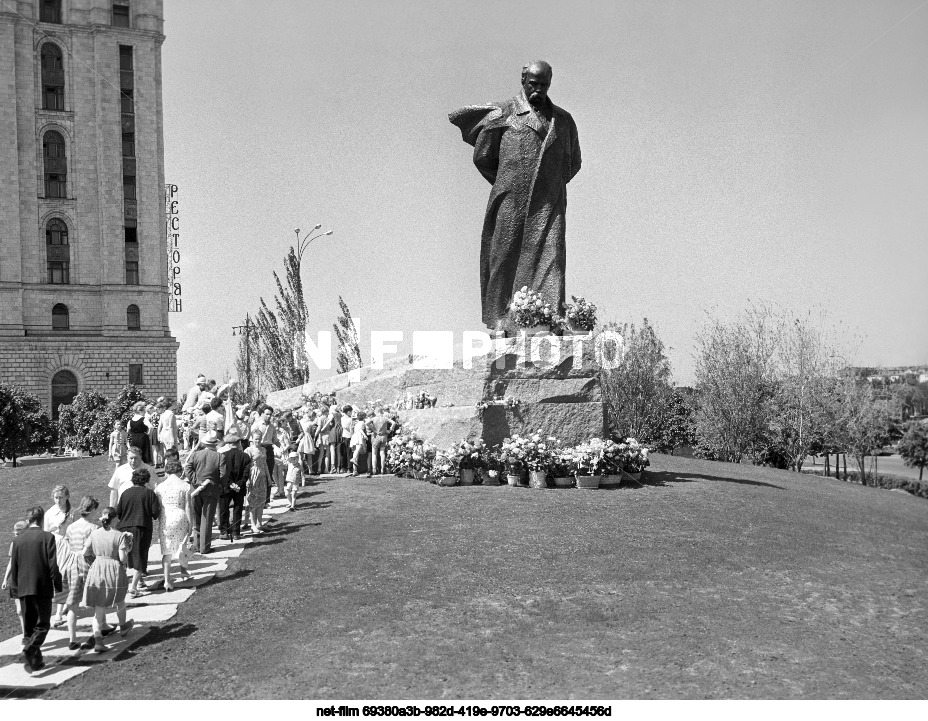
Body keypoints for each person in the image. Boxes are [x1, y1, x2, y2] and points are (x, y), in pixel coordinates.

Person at [449, 60, 581, 330]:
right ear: (523, 81)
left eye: (544, 84)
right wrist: (509, 183)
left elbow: (573, 162)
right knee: (504, 258)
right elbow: (483, 157)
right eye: (534, 84)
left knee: (552, 259)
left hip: (550, 204)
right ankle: (501, 321)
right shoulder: (503, 113)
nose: (539, 90)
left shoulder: (564, 121)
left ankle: (548, 320)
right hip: (511, 200)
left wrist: (548, 182)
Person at [9, 506, 62, 673]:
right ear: (41, 519)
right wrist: (58, 584)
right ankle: (29, 650)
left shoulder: (17, 541)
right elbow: (53, 564)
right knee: (43, 625)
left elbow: (15, 567)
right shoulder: (47, 537)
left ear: (28, 520)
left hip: (23, 588)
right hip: (42, 587)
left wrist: (15, 590)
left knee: (29, 628)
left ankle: (35, 662)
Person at [82, 506, 133, 652]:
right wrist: (128, 549)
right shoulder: (119, 535)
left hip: (97, 568)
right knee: (120, 600)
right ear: (115, 519)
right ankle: (123, 626)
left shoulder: (94, 533)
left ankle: (98, 641)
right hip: (114, 569)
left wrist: (94, 562)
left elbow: (84, 552)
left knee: (99, 608)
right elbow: (122, 559)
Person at [116, 468, 162, 597]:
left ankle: (139, 582)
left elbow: (119, 512)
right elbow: (155, 513)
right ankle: (133, 588)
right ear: (146, 480)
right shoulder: (149, 493)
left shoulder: (125, 493)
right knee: (140, 557)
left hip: (124, 528)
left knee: (127, 556)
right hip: (141, 527)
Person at [61, 496, 100, 650]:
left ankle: (72, 639)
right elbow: (94, 550)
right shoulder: (93, 528)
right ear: (92, 510)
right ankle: (98, 634)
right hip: (88, 565)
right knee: (98, 603)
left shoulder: (71, 527)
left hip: (72, 565)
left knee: (73, 605)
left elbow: (66, 543)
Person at [154, 457, 194, 590]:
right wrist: (191, 523)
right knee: (182, 546)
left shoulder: (160, 487)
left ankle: (167, 580)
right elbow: (188, 507)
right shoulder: (185, 486)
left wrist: (161, 521)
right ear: (180, 471)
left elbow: (159, 507)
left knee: (167, 551)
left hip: (166, 518)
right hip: (180, 515)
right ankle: (183, 570)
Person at [184, 430, 224, 554]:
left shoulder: (196, 454)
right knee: (206, 518)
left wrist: (196, 481)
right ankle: (204, 547)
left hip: (196, 489)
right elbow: (223, 475)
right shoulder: (220, 456)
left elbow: (187, 468)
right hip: (211, 490)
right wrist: (217, 484)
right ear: (215, 444)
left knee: (196, 518)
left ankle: (196, 545)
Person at [217, 427, 251, 540]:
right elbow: (246, 475)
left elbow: (223, 474)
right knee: (237, 509)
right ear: (238, 443)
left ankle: (224, 531)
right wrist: (238, 484)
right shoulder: (245, 456)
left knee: (223, 509)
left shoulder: (223, 456)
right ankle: (236, 532)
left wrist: (230, 484)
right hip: (239, 487)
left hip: (226, 486)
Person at [2, 520, 29, 638]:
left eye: (19, 534)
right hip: (16, 580)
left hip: (28, 580)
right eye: (15, 534)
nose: (16, 536)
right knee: (19, 611)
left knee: (28, 610)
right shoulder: (13, 544)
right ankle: (25, 636)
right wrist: (5, 579)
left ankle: (30, 633)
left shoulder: (31, 544)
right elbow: (10, 563)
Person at [245, 429, 270, 534]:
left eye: (259, 439)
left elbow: (265, 464)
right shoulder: (248, 450)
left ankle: (259, 523)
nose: (257, 441)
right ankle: (253, 524)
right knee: (253, 501)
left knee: (261, 500)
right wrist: (247, 479)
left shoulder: (263, 450)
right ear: (252, 439)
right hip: (253, 476)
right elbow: (245, 466)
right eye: (256, 439)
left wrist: (268, 477)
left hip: (262, 475)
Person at [251, 405, 277, 503]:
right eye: (267, 414)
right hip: (259, 449)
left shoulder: (272, 426)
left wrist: (284, 447)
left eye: (270, 414)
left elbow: (275, 440)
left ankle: (266, 500)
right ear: (262, 414)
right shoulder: (256, 425)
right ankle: (257, 498)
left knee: (268, 474)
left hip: (269, 449)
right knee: (258, 474)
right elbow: (252, 439)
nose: (269, 416)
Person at [367, 407, 397, 475]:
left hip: (376, 437)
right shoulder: (385, 418)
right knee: (382, 453)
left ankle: (374, 469)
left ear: (377, 412)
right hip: (384, 437)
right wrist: (390, 430)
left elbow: (367, 423)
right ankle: (382, 469)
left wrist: (374, 429)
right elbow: (393, 422)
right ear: (381, 412)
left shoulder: (374, 418)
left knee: (374, 453)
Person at [296, 408, 316, 484]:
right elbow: (312, 432)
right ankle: (310, 470)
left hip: (302, 438)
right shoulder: (311, 423)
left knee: (301, 456)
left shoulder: (301, 422)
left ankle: (302, 470)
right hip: (307, 437)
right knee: (309, 455)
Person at [349, 411, 370, 476]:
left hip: (355, 436)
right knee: (358, 450)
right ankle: (353, 459)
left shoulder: (357, 423)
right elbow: (361, 430)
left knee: (355, 452)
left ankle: (354, 470)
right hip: (359, 436)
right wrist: (365, 435)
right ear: (363, 417)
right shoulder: (362, 423)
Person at [340, 405, 354, 474]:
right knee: (349, 453)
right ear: (348, 412)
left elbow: (343, 427)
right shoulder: (350, 419)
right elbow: (350, 428)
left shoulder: (342, 418)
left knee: (344, 453)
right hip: (349, 437)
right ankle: (349, 468)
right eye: (351, 411)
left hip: (343, 436)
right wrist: (352, 435)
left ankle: (343, 467)